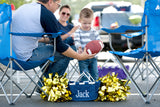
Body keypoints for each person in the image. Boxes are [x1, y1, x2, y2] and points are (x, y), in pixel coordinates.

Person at [12, 0, 95, 83]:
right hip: (25, 57)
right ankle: (45, 85)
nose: (57, 8)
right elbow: (60, 47)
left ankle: (46, 83)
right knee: (64, 54)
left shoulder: (24, 8)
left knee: (46, 46)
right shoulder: (46, 14)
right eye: (58, 4)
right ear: (50, 2)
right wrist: (80, 57)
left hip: (11, 56)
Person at [74, 8, 103, 81]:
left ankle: (94, 90)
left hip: (93, 58)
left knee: (95, 74)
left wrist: (100, 46)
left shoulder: (94, 32)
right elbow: (77, 41)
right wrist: (79, 48)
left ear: (92, 21)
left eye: (89, 23)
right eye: (84, 23)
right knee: (84, 75)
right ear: (80, 21)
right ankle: (85, 90)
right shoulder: (78, 32)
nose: (87, 25)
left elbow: (99, 42)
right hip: (83, 58)